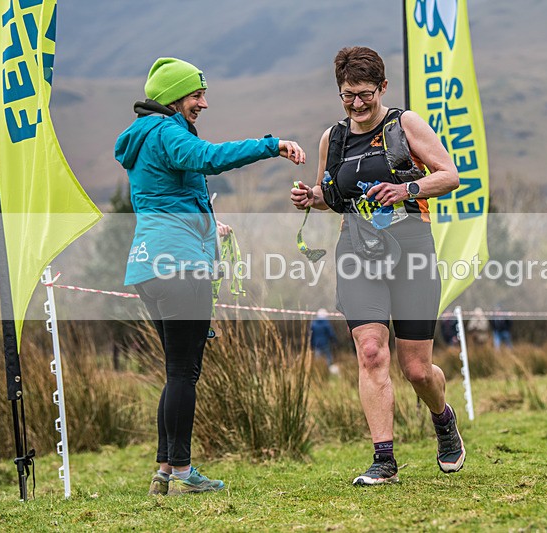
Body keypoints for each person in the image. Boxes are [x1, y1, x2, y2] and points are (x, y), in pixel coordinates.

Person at [115, 57, 305, 496]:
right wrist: (270, 144)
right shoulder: (167, 132)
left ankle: (165, 469)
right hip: (181, 266)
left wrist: (206, 225)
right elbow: (210, 158)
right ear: (173, 98)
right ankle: (182, 473)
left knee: (175, 371)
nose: (203, 102)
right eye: (196, 95)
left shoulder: (144, 138)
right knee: (185, 372)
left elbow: (163, 199)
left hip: (149, 264)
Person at [290, 46, 464, 485]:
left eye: (365, 94)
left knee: (417, 369)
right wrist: (311, 197)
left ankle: (443, 420)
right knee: (370, 353)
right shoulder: (334, 138)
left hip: (411, 249)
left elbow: (449, 174)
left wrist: (406, 190)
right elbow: (333, 195)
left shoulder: (405, 125)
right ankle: (384, 461)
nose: (357, 104)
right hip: (357, 250)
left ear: (382, 88)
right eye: (348, 95)